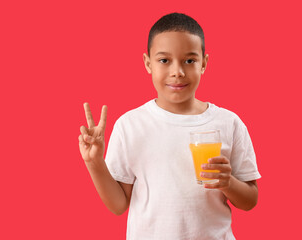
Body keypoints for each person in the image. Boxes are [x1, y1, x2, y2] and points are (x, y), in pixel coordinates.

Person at [78, 12, 261, 240]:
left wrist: (228, 183)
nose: (177, 72)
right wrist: (95, 162)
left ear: (203, 63)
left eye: (190, 60)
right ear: (148, 63)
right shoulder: (131, 125)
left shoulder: (229, 123)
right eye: (164, 61)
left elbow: (250, 199)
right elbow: (118, 205)